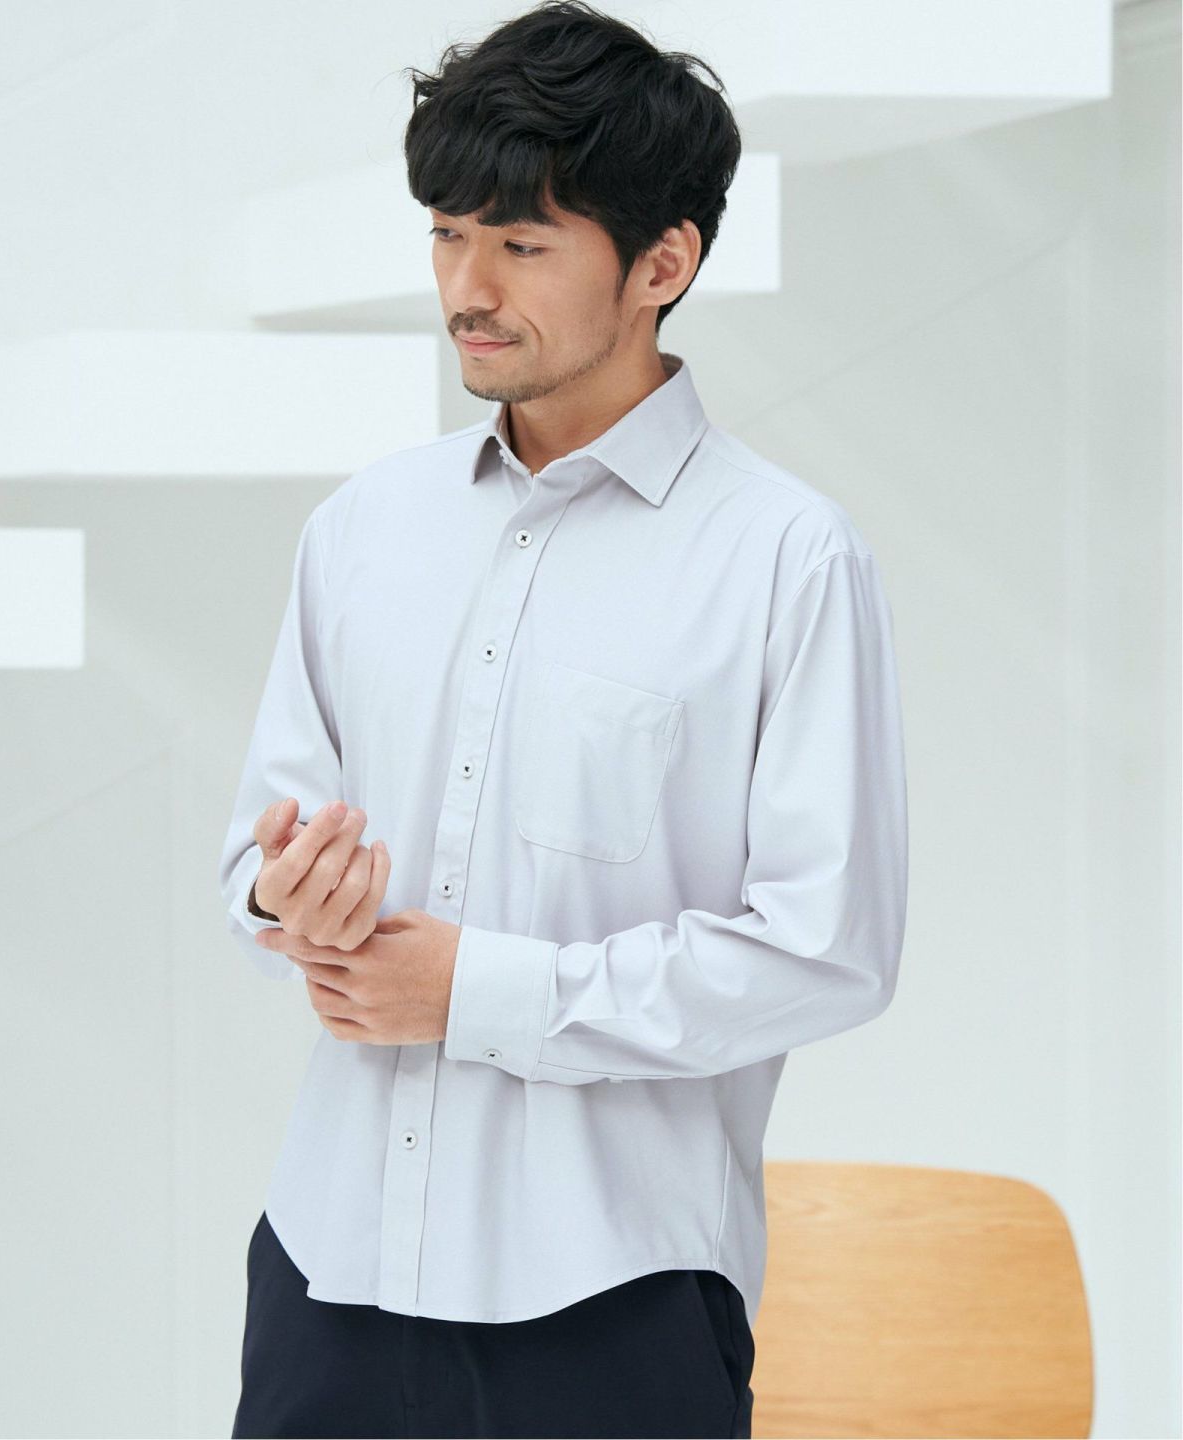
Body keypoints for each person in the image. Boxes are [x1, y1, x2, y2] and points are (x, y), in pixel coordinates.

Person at [218, 2, 909, 1435]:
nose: (467, 288)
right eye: (446, 233)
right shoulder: (364, 528)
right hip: (327, 1268)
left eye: (522, 245)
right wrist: (290, 896)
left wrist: (477, 994)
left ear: (664, 263)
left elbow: (825, 951)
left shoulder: (785, 559)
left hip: (613, 1299)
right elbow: (252, 858)